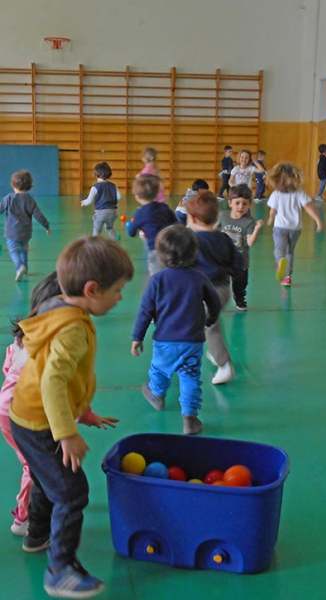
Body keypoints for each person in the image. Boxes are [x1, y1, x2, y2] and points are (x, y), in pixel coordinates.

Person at [9, 237, 133, 598]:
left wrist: (83, 412)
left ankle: (37, 536)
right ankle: (59, 570)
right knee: (72, 492)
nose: (121, 298)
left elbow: (58, 375)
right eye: (118, 291)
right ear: (92, 290)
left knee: (49, 481)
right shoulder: (73, 328)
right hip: (40, 423)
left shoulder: (57, 304)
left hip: (26, 416)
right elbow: (53, 380)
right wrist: (66, 432)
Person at [0, 271, 118, 539]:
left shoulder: (28, 335)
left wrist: (85, 414)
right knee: (35, 465)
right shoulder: (49, 345)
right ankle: (24, 518)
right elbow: (54, 388)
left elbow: (13, 371)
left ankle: (46, 504)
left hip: (19, 410)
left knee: (44, 463)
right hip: (18, 416)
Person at [131, 224, 221, 434]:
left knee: (159, 369)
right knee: (190, 376)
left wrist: (137, 337)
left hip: (165, 340)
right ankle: (190, 419)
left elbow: (146, 310)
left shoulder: (157, 280)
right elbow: (214, 302)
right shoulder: (199, 278)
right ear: (194, 252)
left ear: (161, 256)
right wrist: (210, 319)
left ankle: (156, 395)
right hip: (193, 340)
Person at [187, 191, 242, 384]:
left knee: (210, 327)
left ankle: (224, 364)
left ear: (192, 218)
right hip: (224, 290)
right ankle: (214, 351)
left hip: (206, 293)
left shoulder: (192, 241)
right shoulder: (224, 238)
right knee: (212, 323)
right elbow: (238, 263)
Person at [267, 163, 323, 286]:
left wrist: (270, 219)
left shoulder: (276, 194)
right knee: (290, 252)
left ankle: (280, 262)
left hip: (280, 227)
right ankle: (287, 277)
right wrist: (318, 221)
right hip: (295, 228)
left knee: (278, 249)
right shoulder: (299, 193)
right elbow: (309, 208)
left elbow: (273, 210)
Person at [219, 184, 263, 310]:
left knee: (240, 284)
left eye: (244, 204)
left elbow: (249, 243)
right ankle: (215, 300)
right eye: (237, 203)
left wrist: (257, 229)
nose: (240, 207)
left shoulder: (249, 222)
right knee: (219, 282)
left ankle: (239, 299)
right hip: (223, 259)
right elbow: (214, 231)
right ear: (230, 203)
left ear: (249, 205)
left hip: (240, 260)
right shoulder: (223, 216)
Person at [0, 170, 50, 281]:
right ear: (29, 186)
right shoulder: (29, 199)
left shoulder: (8, 198)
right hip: (26, 233)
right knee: (24, 249)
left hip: (11, 232)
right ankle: (25, 268)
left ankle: (19, 267)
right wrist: (46, 226)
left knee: (13, 250)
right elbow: (38, 215)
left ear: (13, 185)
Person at [126, 174, 176, 275]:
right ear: (157, 192)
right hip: (171, 247)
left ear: (137, 196)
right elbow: (175, 223)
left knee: (156, 276)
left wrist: (132, 223)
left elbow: (131, 232)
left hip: (155, 249)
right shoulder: (164, 207)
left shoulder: (140, 213)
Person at [81, 161, 121, 239]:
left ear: (96, 174)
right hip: (113, 212)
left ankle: (94, 245)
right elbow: (119, 197)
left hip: (100, 213)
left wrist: (83, 202)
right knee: (110, 228)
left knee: (96, 231)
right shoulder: (113, 186)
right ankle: (114, 241)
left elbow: (89, 201)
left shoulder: (95, 187)